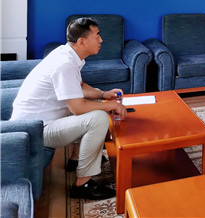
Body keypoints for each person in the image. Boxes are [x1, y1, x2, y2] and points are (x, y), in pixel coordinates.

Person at [10, 17, 127, 200]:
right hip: (35, 131)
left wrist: (103, 94)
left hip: (39, 123)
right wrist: (112, 105)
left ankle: (75, 159)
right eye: (97, 36)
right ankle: (83, 185)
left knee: (94, 108)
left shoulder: (67, 54)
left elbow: (78, 86)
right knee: (98, 118)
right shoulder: (64, 64)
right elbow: (78, 108)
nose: (101, 40)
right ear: (82, 42)